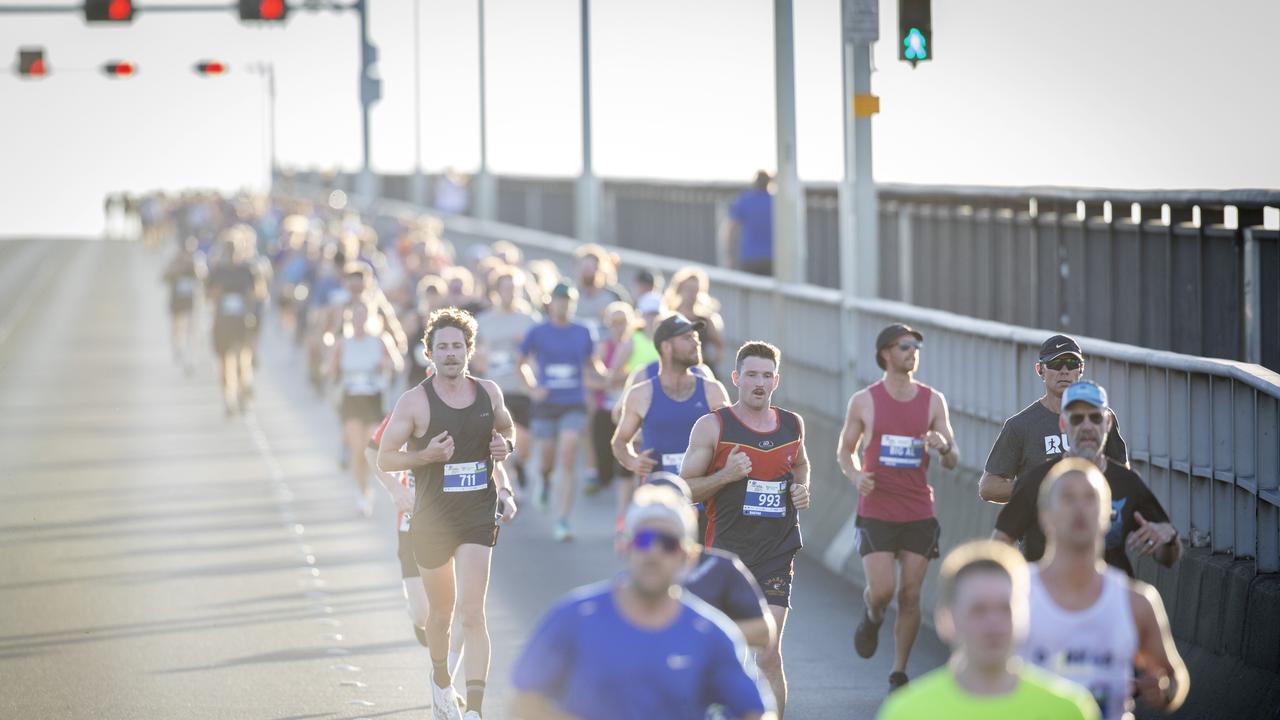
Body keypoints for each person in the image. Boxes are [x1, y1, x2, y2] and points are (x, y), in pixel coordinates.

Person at [511, 484, 771, 720]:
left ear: (688, 557)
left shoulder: (711, 634)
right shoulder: (572, 618)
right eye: (643, 539)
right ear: (624, 546)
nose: (653, 552)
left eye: (668, 544)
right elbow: (523, 702)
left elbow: (756, 713)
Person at [378, 308, 519, 720]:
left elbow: (507, 431)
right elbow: (386, 458)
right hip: (434, 519)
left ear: (469, 350)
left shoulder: (489, 392)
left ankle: (474, 710)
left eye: (458, 346)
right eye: (443, 347)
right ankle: (441, 681)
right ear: (429, 352)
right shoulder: (415, 401)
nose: (451, 353)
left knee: (473, 613)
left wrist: (504, 448)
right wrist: (426, 455)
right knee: (440, 614)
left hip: (477, 512)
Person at [681, 341, 811, 717]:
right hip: (725, 555)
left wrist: (803, 488)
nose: (759, 382)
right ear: (736, 378)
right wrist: (726, 475)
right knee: (717, 650)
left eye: (767, 376)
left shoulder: (792, 424)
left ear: (776, 381)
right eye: (751, 374)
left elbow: (801, 464)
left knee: (768, 653)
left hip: (776, 551)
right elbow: (685, 486)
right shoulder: (713, 426)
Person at [836, 323, 959, 692]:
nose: (912, 352)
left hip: (918, 510)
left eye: (915, 346)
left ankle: (899, 672)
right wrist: (856, 476)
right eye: (905, 346)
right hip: (876, 509)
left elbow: (953, 460)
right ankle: (872, 615)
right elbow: (845, 450)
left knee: (910, 595)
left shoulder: (933, 400)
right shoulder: (864, 400)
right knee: (883, 590)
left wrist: (943, 447)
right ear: (885, 353)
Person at [1019, 459, 1189, 719]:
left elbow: (1173, 676)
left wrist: (1165, 691)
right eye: (1067, 498)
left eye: (1090, 498)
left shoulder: (1137, 603)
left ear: (1108, 516)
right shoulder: (1014, 595)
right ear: (1044, 516)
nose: (1080, 507)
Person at [876, 540, 1100, 720]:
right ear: (947, 620)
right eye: (978, 610)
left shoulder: (1070, 709)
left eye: (1005, 608)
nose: (994, 622)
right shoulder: (906, 713)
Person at [994, 381, 1180, 577]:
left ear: (1107, 423)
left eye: (1095, 418)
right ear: (1063, 424)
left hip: (1109, 601)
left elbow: (1167, 557)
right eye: (1077, 419)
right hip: (1049, 601)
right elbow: (1000, 544)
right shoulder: (1036, 480)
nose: (1087, 426)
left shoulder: (1128, 482)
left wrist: (1169, 538)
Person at [365, 412, 467, 681]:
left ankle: (444, 684)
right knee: (424, 615)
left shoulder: (475, 399)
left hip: (458, 520)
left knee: (464, 607)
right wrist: (396, 491)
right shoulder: (410, 404)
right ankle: (418, 619)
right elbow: (371, 451)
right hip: (413, 522)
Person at [613, 313, 731, 533]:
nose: (696, 342)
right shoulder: (641, 394)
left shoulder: (712, 390)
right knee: (659, 561)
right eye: (687, 338)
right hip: (658, 504)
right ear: (666, 347)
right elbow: (619, 442)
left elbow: (734, 438)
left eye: (696, 336)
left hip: (706, 500)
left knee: (701, 563)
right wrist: (632, 461)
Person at [979, 335, 1129, 504]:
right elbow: (988, 487)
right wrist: (1040, 486)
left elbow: (1123, 477)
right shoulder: (1020, 426)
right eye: (1056, 364)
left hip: (1092, 524)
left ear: (1081, 369)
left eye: (1072, 364)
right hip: (1040, 527)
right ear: (1040, 370)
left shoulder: (1099, 418)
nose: (1064, 370)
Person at [647, 472, 776, 651]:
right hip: (656, 674)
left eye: (672, 510)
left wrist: (700, 634)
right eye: (650, 509)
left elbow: (763, 632)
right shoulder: (637, 571)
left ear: (691, 514)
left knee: (771, 662)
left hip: (710, 672)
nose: (661, 518)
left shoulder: (720, 567)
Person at [517, 282, 605, 541]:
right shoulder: (537, 332)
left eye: (568, 300)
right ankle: (544, 481)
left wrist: (605, 375)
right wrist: (532, 389)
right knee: (546, 458)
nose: (564, 305)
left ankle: (563, 520)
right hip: (547, 404)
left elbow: (592, 363)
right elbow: (520, 363)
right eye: (559, 300)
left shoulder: (584, 331)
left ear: (574, 303)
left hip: (574, 402)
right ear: (550, 303)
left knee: (568, 453)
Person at [330, 302, 400, 517]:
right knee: (356, 449)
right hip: (351, 399)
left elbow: (397, 365)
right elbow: (331, 370)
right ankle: (363, 493)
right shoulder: (343, 343)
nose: (359, 321)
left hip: (373, 399)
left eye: (363, 316)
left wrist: (384, 365)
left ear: (369, 318)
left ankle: (368, 484)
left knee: (370, 449)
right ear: (350, 320)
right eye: (355, 317)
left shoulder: (380, 341)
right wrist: (334, 370)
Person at [474, 267, 539, 488]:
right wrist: (480, 361)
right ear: (497, 291)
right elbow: (474, 352)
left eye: (515, 289)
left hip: (521, 387)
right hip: (495, 388)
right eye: (506, 288)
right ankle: (508, 483)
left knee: (525, 442)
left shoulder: (529, 320)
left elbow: (538, 352)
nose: (510, 293)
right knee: (501, 439)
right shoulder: (484, 320)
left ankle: (520, 466)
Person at [206, 226, 268, 416]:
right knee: (225, 361)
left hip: (242, 320)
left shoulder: (248, 270)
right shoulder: (217, 270)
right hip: (223, 321)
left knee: (242, 359)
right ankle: (228, 398)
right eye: (228, 248)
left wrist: (251, 312)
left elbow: (258, 294)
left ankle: (243, 390)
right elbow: (209, 295)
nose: (232, 253)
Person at [664, 266, 726, 378]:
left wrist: (711, 362)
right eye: (688, 289)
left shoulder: (705, 320)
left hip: (702, 373)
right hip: (676, 373)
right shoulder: (671, 317)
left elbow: (719, 345)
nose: (691, 295)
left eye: (695, 290)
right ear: (679, 289)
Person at [720, 171, 774, 276]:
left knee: (749, 289)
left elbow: (730, 229)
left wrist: (729, 256)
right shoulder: (776, 202)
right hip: (773, 258)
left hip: (750, 257)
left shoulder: (744, 201)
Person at [162, 237, 202, 375]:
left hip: (190, 301)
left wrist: (195, 266)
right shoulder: (175, 261)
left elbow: (204, 278)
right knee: (177, 326)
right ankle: (177, 347)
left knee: (191, 328)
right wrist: (178, 269)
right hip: (177, 299)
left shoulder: (196, 262)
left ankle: (190, 356)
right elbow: (164, 277)